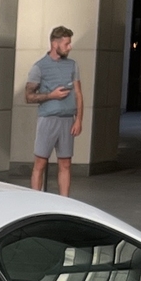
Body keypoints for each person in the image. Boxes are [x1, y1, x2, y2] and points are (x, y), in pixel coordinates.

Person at [22, 25, 83, 195]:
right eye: (66, 44)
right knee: (40, 163)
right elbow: (28, 96)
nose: (69, 47)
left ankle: (65, 202)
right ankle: (36, 200)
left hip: (67, 120)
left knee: (65, 163)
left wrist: (78, 119)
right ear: (55, 44)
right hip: (48, 120)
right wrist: (51, 95)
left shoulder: (72, 65)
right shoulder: (39, 67)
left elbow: (78, 93)